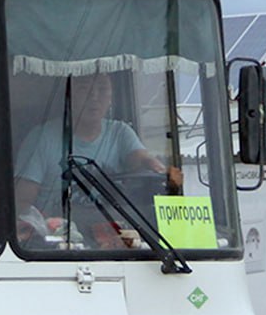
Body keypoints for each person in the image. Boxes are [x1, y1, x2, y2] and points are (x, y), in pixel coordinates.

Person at [14, 72, 176, 224]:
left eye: (102, 89)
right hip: (60, 237)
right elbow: (22, 202)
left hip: (113, 234)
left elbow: (139, 158)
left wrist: (152, 164)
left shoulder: (120, 132)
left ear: (111, 97)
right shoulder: (42, 138)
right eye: (84, 89)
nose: (94, 97)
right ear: (69, 96)